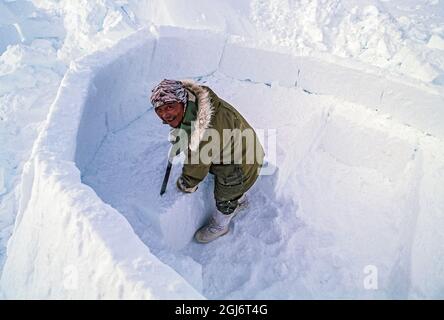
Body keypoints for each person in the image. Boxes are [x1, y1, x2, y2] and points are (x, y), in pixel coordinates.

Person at [151, 79, 264, 243]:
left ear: (182, 101)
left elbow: (197, 165)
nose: (164, 114)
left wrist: (187, 184)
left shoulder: (205, 130)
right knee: (224, 173)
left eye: (169, 106)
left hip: (242, 163)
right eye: (159, 110)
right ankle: (238, 198)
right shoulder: (197, 101)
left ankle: (221, 224)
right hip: (245, 148)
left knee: (226, 192)